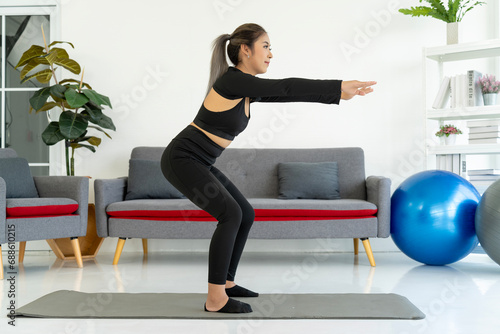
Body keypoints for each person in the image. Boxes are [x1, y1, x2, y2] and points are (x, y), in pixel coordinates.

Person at [160, 23, 375, 314]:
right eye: (266, 46)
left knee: (245, 213)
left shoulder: (246, 89)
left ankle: (227, 283)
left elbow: (286, 93)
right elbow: (285, 86)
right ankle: (215, 299)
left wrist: (335, 94)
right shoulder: (232, 81)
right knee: (230, 214)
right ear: (245, 50)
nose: (271, 54)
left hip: (200, 161)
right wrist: (337, 86)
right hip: (182, 159)